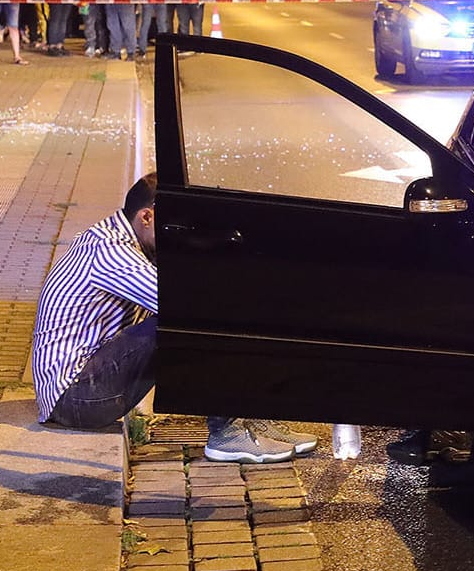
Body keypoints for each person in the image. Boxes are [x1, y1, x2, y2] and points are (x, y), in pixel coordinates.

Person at [31, 175, 316, 462]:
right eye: (170, 226)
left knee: (206, 307)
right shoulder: (111, 252)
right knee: (189, 319)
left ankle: (250, 417)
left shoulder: (129, 241)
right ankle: (226, 434)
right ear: (146, 216)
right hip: (75, 398)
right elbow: (183, 304)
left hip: (85, 384)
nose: (175, 234)